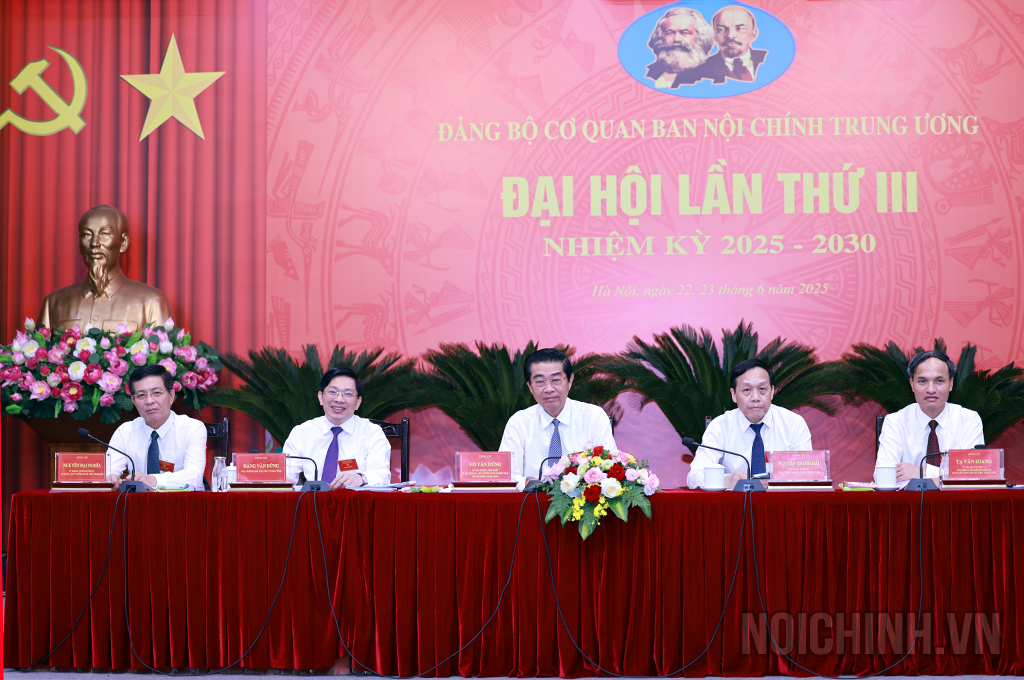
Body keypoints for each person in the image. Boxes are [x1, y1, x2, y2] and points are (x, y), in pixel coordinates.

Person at [39, 204, 173, 333]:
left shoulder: (151, 303)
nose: (94, 243)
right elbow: (39, 347)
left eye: (104, 234)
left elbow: (165, 348)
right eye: (87, 235)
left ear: (123, 243)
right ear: (80, 244)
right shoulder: (54, 303)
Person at [686, 358, 812, 489]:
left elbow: (808, 475)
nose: (755, 397)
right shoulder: (720, 426)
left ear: (772, 392)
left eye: (762, 389)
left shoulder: (793, 424)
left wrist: (776, 481)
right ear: (734, 395)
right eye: (747, 390)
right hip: (736, 501)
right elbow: (694, 476)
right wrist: (726, 480)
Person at [499, 348, 615, 478]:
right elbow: (506, 476)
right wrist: (531, 484)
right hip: (530, 491)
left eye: (556, 380)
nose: (549, 389)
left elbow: (610, 465)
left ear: (570, 380)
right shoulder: (518, 423)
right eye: (540, 382)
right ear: (530, 386)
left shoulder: (593, 416)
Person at [875, 350, 983, 484]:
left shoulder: (969, 420)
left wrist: (922, 471)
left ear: (951, 383)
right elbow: (884, 477)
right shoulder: (895, 422)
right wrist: (946, 475)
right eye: (922, 381)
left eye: (939, 381)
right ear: (912, 384)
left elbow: (974, 475)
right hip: (910, 498)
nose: (931, 389)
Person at [283, 367, 391, 488]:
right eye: (333, 392)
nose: (339, 399)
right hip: (313, 498)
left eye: (348, 394)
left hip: (355, 499)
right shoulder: (301, 433)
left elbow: (382, 475)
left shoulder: (372, 433)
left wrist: (360, 478)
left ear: (358, 402)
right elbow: (285, 475)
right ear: (320, 397)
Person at [106, 364, 207, 489]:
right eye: (141, 395)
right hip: (138, 501)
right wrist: (110, 478)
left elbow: (194, 476)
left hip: (181, 500)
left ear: (171, 396)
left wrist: (154, 480)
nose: (149, 401)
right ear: (133, 401)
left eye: (156, 393)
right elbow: (108, 471)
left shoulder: (192, 428)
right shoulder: (125, 432)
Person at [693, 5, 767, 84]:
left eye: (740, 28)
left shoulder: (770, 59)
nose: (730, 35)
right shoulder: (698, 71)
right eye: (721, 29)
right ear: (714, 35)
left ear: (754, 34)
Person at [644, 7, 716, 89]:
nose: (676, 39)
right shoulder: (649, 72)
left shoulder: (710, 76)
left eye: (684, 33)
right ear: (661, 36)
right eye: (670, 33)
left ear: (700, 37)